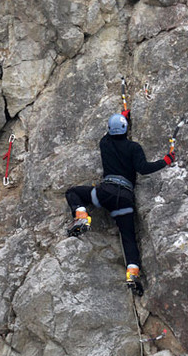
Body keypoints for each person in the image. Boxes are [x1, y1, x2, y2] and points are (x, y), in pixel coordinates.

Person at [65, 113, 175, 293]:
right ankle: (132, 273)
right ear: (126, 129)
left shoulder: (104, 143)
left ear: (110, 130)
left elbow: (109, 134)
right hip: (124, 200)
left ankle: (82, 215)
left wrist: (122, 116)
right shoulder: (134, 148)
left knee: (73, 192)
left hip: (104, 194)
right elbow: (143, 168)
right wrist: (166, 161)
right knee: (128, 237)